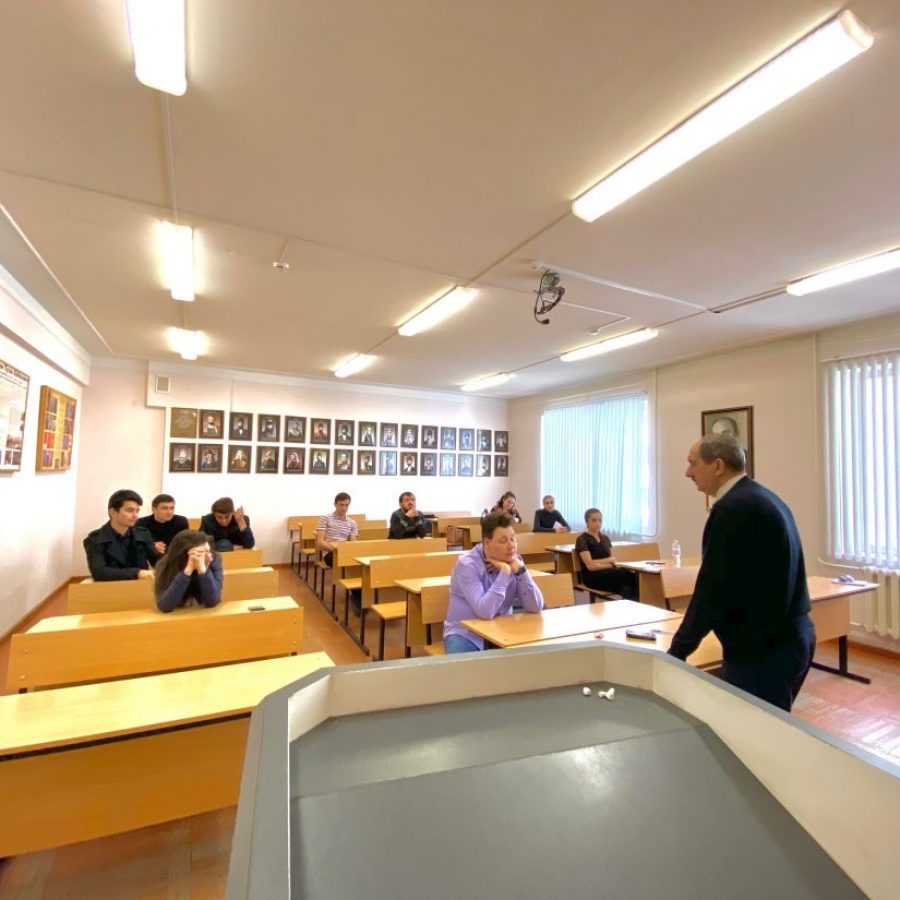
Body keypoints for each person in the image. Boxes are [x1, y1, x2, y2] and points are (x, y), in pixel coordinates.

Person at [668, 433, 816, 712]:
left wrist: (677, 652)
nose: (688, 472)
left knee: (751, 731)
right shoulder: (764, 497)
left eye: (693, 463)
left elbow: (712, 588)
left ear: (718, 466)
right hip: (793, 635)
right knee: (769, 724)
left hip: (763, 652)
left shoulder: (733, 509)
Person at [443, 511, 544, 652]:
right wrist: (505, 572)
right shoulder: (467, 564)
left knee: (537, 658)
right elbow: (485, 612)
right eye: (503, 541)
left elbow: (536, 607)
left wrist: (522, 571)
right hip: (466, 634)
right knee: (466, 665)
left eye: (513, 539)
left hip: (502, 631)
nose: (511, 546)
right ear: (487, 543)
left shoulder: (515, 561)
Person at [84, 489, 161, 581]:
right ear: (112, 512)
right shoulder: (95, 539)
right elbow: (99, 572)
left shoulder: (143, 534)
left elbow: (157, 562)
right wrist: (137, 573)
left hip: (140, 586)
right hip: (111, 587)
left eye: (137, 511)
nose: (135, 515)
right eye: (130, 510)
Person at [154, 530, 223, 613]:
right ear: (185, 557)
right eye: (202, 553)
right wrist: (188, 570)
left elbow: (212, 601)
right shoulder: (165, 565)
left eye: (209, 551)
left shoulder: (214, 560)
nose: (210, 558)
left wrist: (202, 569)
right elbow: (164, 606)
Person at [575, 508, 638, 599]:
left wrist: (607, 564)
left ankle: (633, 604)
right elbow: (590, 565)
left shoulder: (605, 538)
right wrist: (609, 562)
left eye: (600, 520)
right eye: (594, 520)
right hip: (592, 577)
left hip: (608, 572)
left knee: (632, 578)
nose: (598, 523)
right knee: (626, 579)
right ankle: (630, 603)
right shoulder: (582, 539)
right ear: (587, 522)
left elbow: (613, 560)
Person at [316, 492, 361, 611]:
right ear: (335, 504)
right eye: (341, 505)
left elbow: (353, 544)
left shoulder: (352, 523)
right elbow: (320, 542)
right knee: (349, 565)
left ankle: (360, 598)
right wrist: (337, 550)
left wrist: (347, 551)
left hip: (345, 553)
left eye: (346, 505)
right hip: (330, 553)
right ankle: (358, 599)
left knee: (359, 565)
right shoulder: (325, 518)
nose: (344, 508)